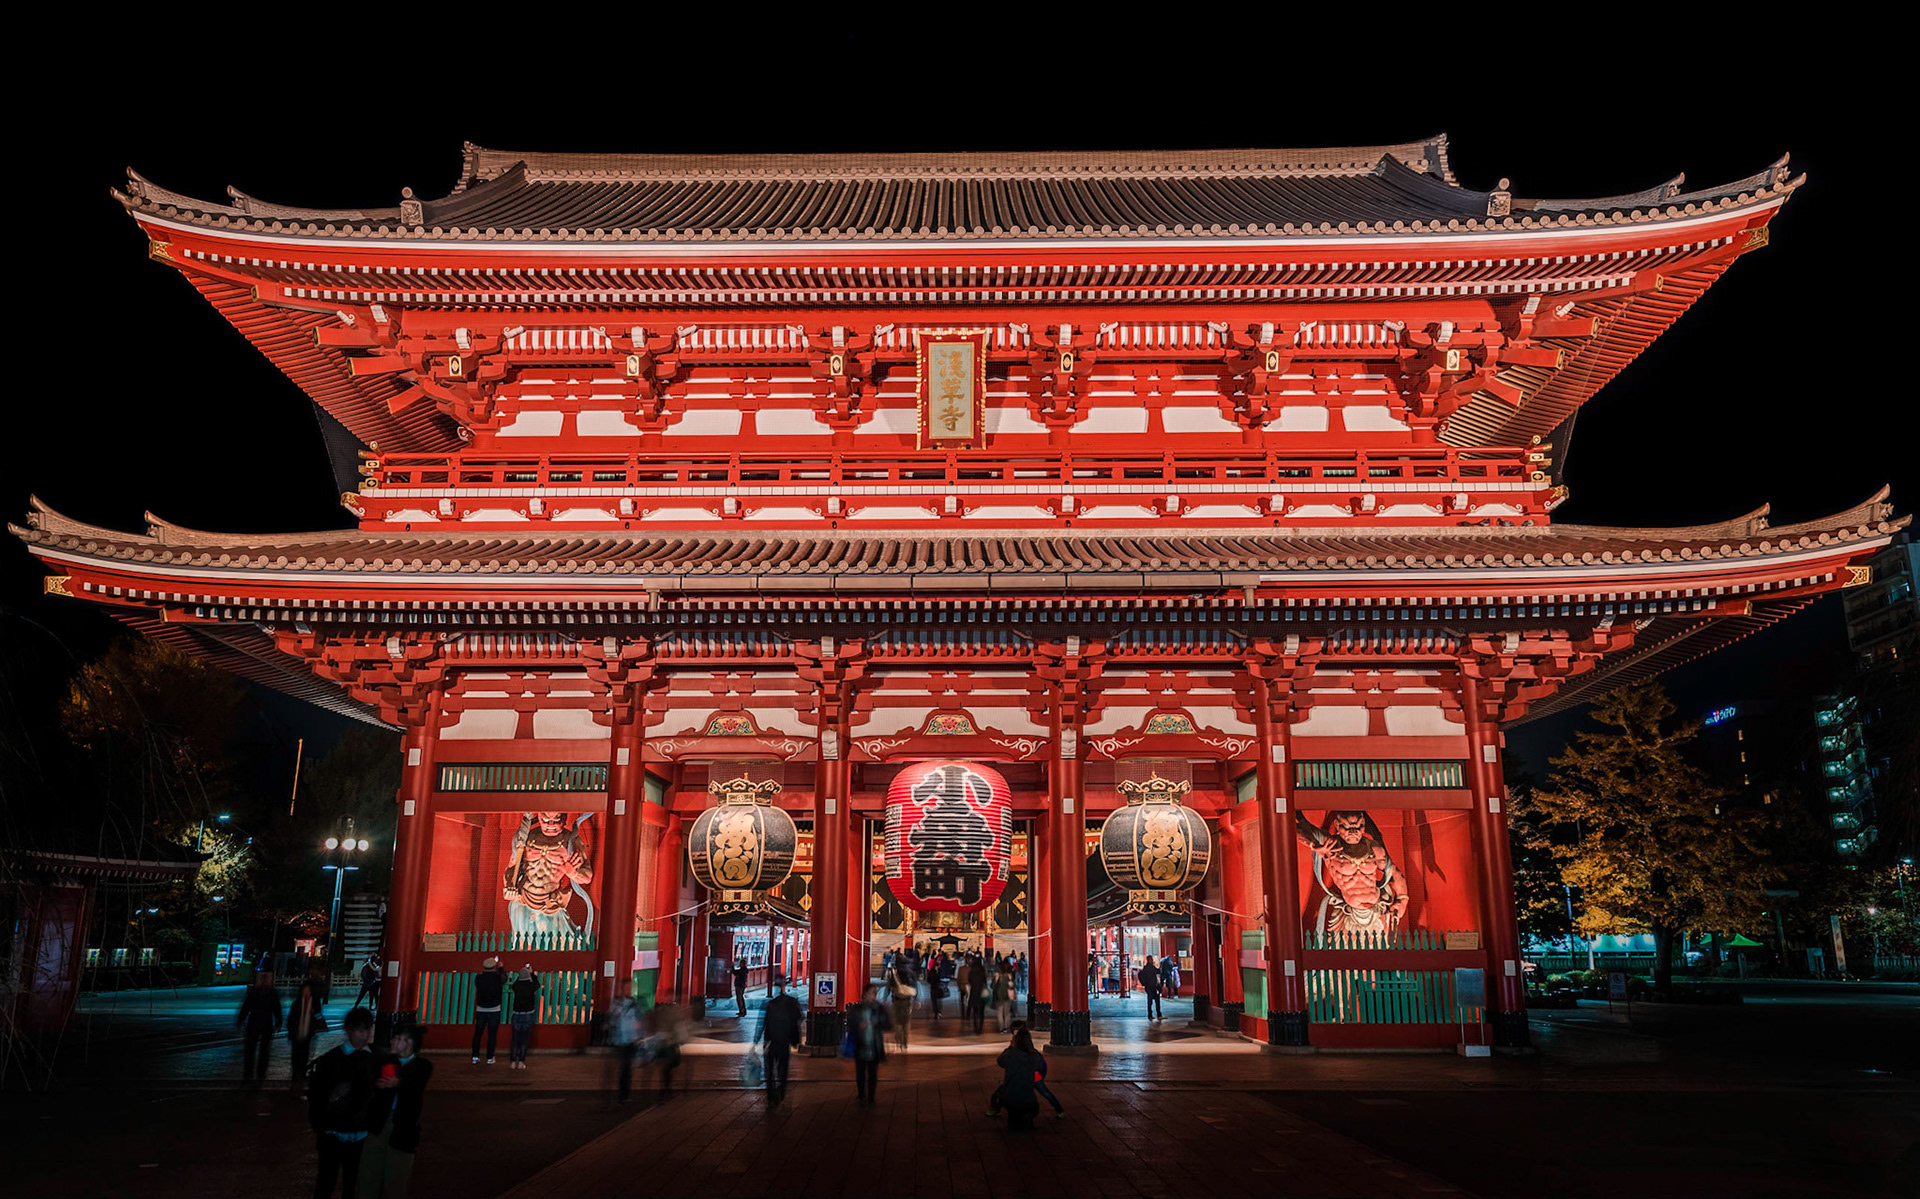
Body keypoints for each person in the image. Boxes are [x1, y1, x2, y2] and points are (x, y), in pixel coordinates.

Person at [309, 1007, 380, 1198]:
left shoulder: (376, 1058)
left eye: (368, 1029)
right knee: (326, 1182)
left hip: (360, 1132)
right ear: (349, 1031)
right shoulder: (331, 1060)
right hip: (333, 1132)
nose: (365, 1035)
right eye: (361, 1030)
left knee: (352, 1183)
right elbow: (316, 1096)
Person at [356, 1023, 432, 1198]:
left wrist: (398, 1082)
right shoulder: (385, 1061)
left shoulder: (422, 1065)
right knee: (368, 1176)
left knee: (396, 1181)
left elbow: (415, 1081)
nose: (392, 1041)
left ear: (409, 1043)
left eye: (398, 1038)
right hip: (378, 1125)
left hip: (403, 1129)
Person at [757, 977, 803, 1108]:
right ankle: (780, 1093)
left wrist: (759, 1039)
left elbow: (764, 1023)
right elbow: (798, 1018)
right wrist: (795, 1039)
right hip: (784, 1041)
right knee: (783, 1069)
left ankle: (771, 1095)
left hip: (771, 1041)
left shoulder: (770, 1004)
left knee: (770, 1069)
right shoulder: (791, 1002)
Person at [994, 1025, 1046, 1131]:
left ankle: (1013, 1121)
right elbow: (1040, 1068)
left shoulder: (1010, 1055)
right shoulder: (1034, 1056)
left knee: (1011, 1105)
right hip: (1028, 1098)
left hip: (1010, 1097)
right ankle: (1026, 1122)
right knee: (1031, 1108)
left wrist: (1009, 1048)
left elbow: (1000, 1061)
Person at [848, 985, 892, 1105]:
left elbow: (888, 1024)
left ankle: (871, 1097)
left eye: (875, 993)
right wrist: (858, 1025)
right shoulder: (858, 1008)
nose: (874, 995)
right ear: (866, 993)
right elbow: (850, 1023)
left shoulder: (879, 1008)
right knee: (860, 1072)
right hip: (861, 1044)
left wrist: (879, 1021)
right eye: (872, 992)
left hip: (874, 1045)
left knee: (873, 1073)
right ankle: (861, 1095)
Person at [237, 972, 283, 1083]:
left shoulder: (266, 994)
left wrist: (278, 1021)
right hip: (257, 1023)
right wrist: (241, 1019)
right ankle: (251, 1074)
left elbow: (277, 1009)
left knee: (261, 1051)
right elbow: (246, 1007)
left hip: (263, 1024)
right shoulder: (260, 993)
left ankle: (257, 1074)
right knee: (252, 1051)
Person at [288, 967, 327, 1090]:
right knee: (295, 1054)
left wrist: (313, 1013)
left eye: (308, 990)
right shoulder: (297, 1003)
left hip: (308, 1031)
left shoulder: (315, 1003)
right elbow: (291, 1018)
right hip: (297, 1031)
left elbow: (318, 1016)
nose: (306, 993)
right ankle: (295, 1074)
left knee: (305, 1053)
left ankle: (302, 1072)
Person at [471, 957, 505, 1065]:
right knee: (492, 1034)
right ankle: (490, 1057)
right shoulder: (497, 977)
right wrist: (501, 969)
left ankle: (475, 1056)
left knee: (478, 1034)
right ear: (494, 966)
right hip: (495, 1009)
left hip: (481, 1009)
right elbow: (504, 978)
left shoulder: (479, 978)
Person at [650, 1001, 688, 1098]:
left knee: (665, 1068)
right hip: (669, 1044)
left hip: (663, 1043)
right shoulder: (674, 1014)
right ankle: (667, 1088)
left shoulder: (659, 1012)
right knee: (669, 1067)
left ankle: (664, 1089)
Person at [508, 965, 539, 1068]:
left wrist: (522, 974)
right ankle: (521, 1061)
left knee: (515, 1039)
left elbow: (514, 984)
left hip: (516, 1014)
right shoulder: (531, 986)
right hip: (528, 1014)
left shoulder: (516, 986)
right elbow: (537, 984)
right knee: (524, 1039)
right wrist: (531, 973)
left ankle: (513, 1061)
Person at [889, 951, 916, 1050]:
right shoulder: (910, 972)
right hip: (907, 999)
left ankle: (899, 1040)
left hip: (897, 999)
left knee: (898, 1021)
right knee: (906, 1021)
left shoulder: (895, 973)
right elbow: (914, 985)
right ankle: (905, 1041)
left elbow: (891, 986)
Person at [966, 953, 989, 1033]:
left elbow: (969, 981)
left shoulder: (971, 972)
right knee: (981, 1012)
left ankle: (976, 1027)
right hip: (981, 991)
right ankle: (981, 1027)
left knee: (975, 1011)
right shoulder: (982, 972)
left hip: (974, 992)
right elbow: (985, 982)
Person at [991, 961, 1014, 1032]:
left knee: (1000, 1012)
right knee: (1007, 1012)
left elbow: (992, 986)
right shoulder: (1010, 976)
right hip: (1007, 996)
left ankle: (1001, 1028)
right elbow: (1012, 985)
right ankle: (1007, 1027)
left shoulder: (997, 975)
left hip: (998, 996)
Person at [1139, 954, 1164, 1019]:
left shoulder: (1145, 968)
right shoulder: (1151, 968)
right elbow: (1158, 972)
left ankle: (1150, 1014)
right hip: (1153, 986)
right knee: (1157, 1001)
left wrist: (1144, 984)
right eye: (1151, 959)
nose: (1152, 960)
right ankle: (1158, 1014)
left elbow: (1140, 975)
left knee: (1150, 1001)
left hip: (1148, 986)